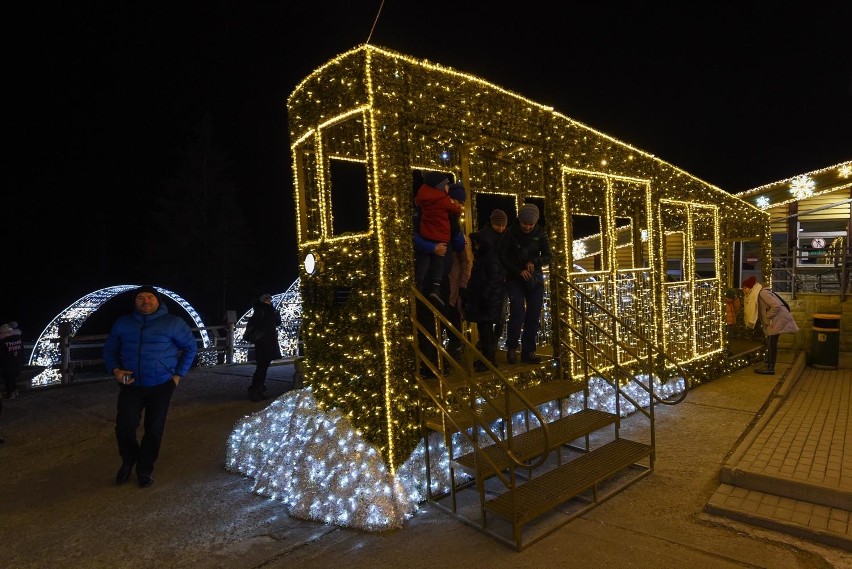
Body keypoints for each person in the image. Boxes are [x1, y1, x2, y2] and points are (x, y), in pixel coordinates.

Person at [103, 285, 198, 488]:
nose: (145, 301)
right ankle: (129, 460)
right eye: (140, 298)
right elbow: (110, 350)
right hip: (131, 385)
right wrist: (116, 371)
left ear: (158, 301)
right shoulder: (123, 323)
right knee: (124, 427)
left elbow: (190, 347)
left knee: (154, 429)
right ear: (135, 302)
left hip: (161, 385)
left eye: (150, 297)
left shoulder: (173, 323)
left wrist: (178, 376)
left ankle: (145, 468)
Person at [498, 203, 551, 364]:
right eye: (524, 224)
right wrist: (518, 270)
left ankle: (528, 351)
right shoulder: (510, 234)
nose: (527, 227)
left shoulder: (541, 233)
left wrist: (534, 262)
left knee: (533, 315)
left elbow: (548, 256)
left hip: (534, 279)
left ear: (535, 223)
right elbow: (503, 256)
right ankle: (512, 348)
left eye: (531, 224)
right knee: (517, 313)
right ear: (519, 221)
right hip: (516, 278)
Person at [465, 209, 508, 371]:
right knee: (489, 324)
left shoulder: (486, 244)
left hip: (487, 289)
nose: (501, 228)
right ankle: (488, 357)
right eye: (498, 225)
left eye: (503, 225)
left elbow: (488, 270)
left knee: (485, 325)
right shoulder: (501, 243)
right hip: (492, 288)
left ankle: (488, 359)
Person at [414, 170, 462, 306]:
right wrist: (433, 248)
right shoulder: (438, 207)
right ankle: (423, 286)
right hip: (438, 273)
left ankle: (422, 284)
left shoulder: (424, 204)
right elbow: (459, 244)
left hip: (442, 274)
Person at [742, 276, 799, 374]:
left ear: (751, 287)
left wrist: (768, 316)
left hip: (776, 320)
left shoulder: (762, 293)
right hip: (774, 321)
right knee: (770, 342)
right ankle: (769, 364)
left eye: (745, 288)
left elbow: (776, 305)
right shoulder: (756, 294)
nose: (744, 290)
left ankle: (770, 368)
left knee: (772, 343)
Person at [444, 182, 473, 360]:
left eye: (461, 203)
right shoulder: (451, 226)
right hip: (449, 281)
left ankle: (455, 349)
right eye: (456, 201)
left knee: (452, 315)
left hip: (452, 283)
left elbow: (466, 261)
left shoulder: (457, 232)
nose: (459, 206)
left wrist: (463, 285)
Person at [247, 293, 282, 401]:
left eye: (270, 300)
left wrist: (275, 313)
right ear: (263, 301)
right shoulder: (262, 311)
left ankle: (258, 389)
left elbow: (277, 323)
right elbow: (262, 324)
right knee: (261, 367)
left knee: (263, 367)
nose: (269, 301)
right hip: (263, 343)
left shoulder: (268, 310)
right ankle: (255, 391)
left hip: (267, 342)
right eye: (267, 300)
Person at [0, 321, 23, 399]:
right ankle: (15, 391)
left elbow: (1, 353)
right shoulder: (18, 337)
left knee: (7, 378)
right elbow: (21, 349)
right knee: (12, 377)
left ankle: (10, 393)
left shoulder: (4, 340)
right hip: (17, 361)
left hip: (7, 362)